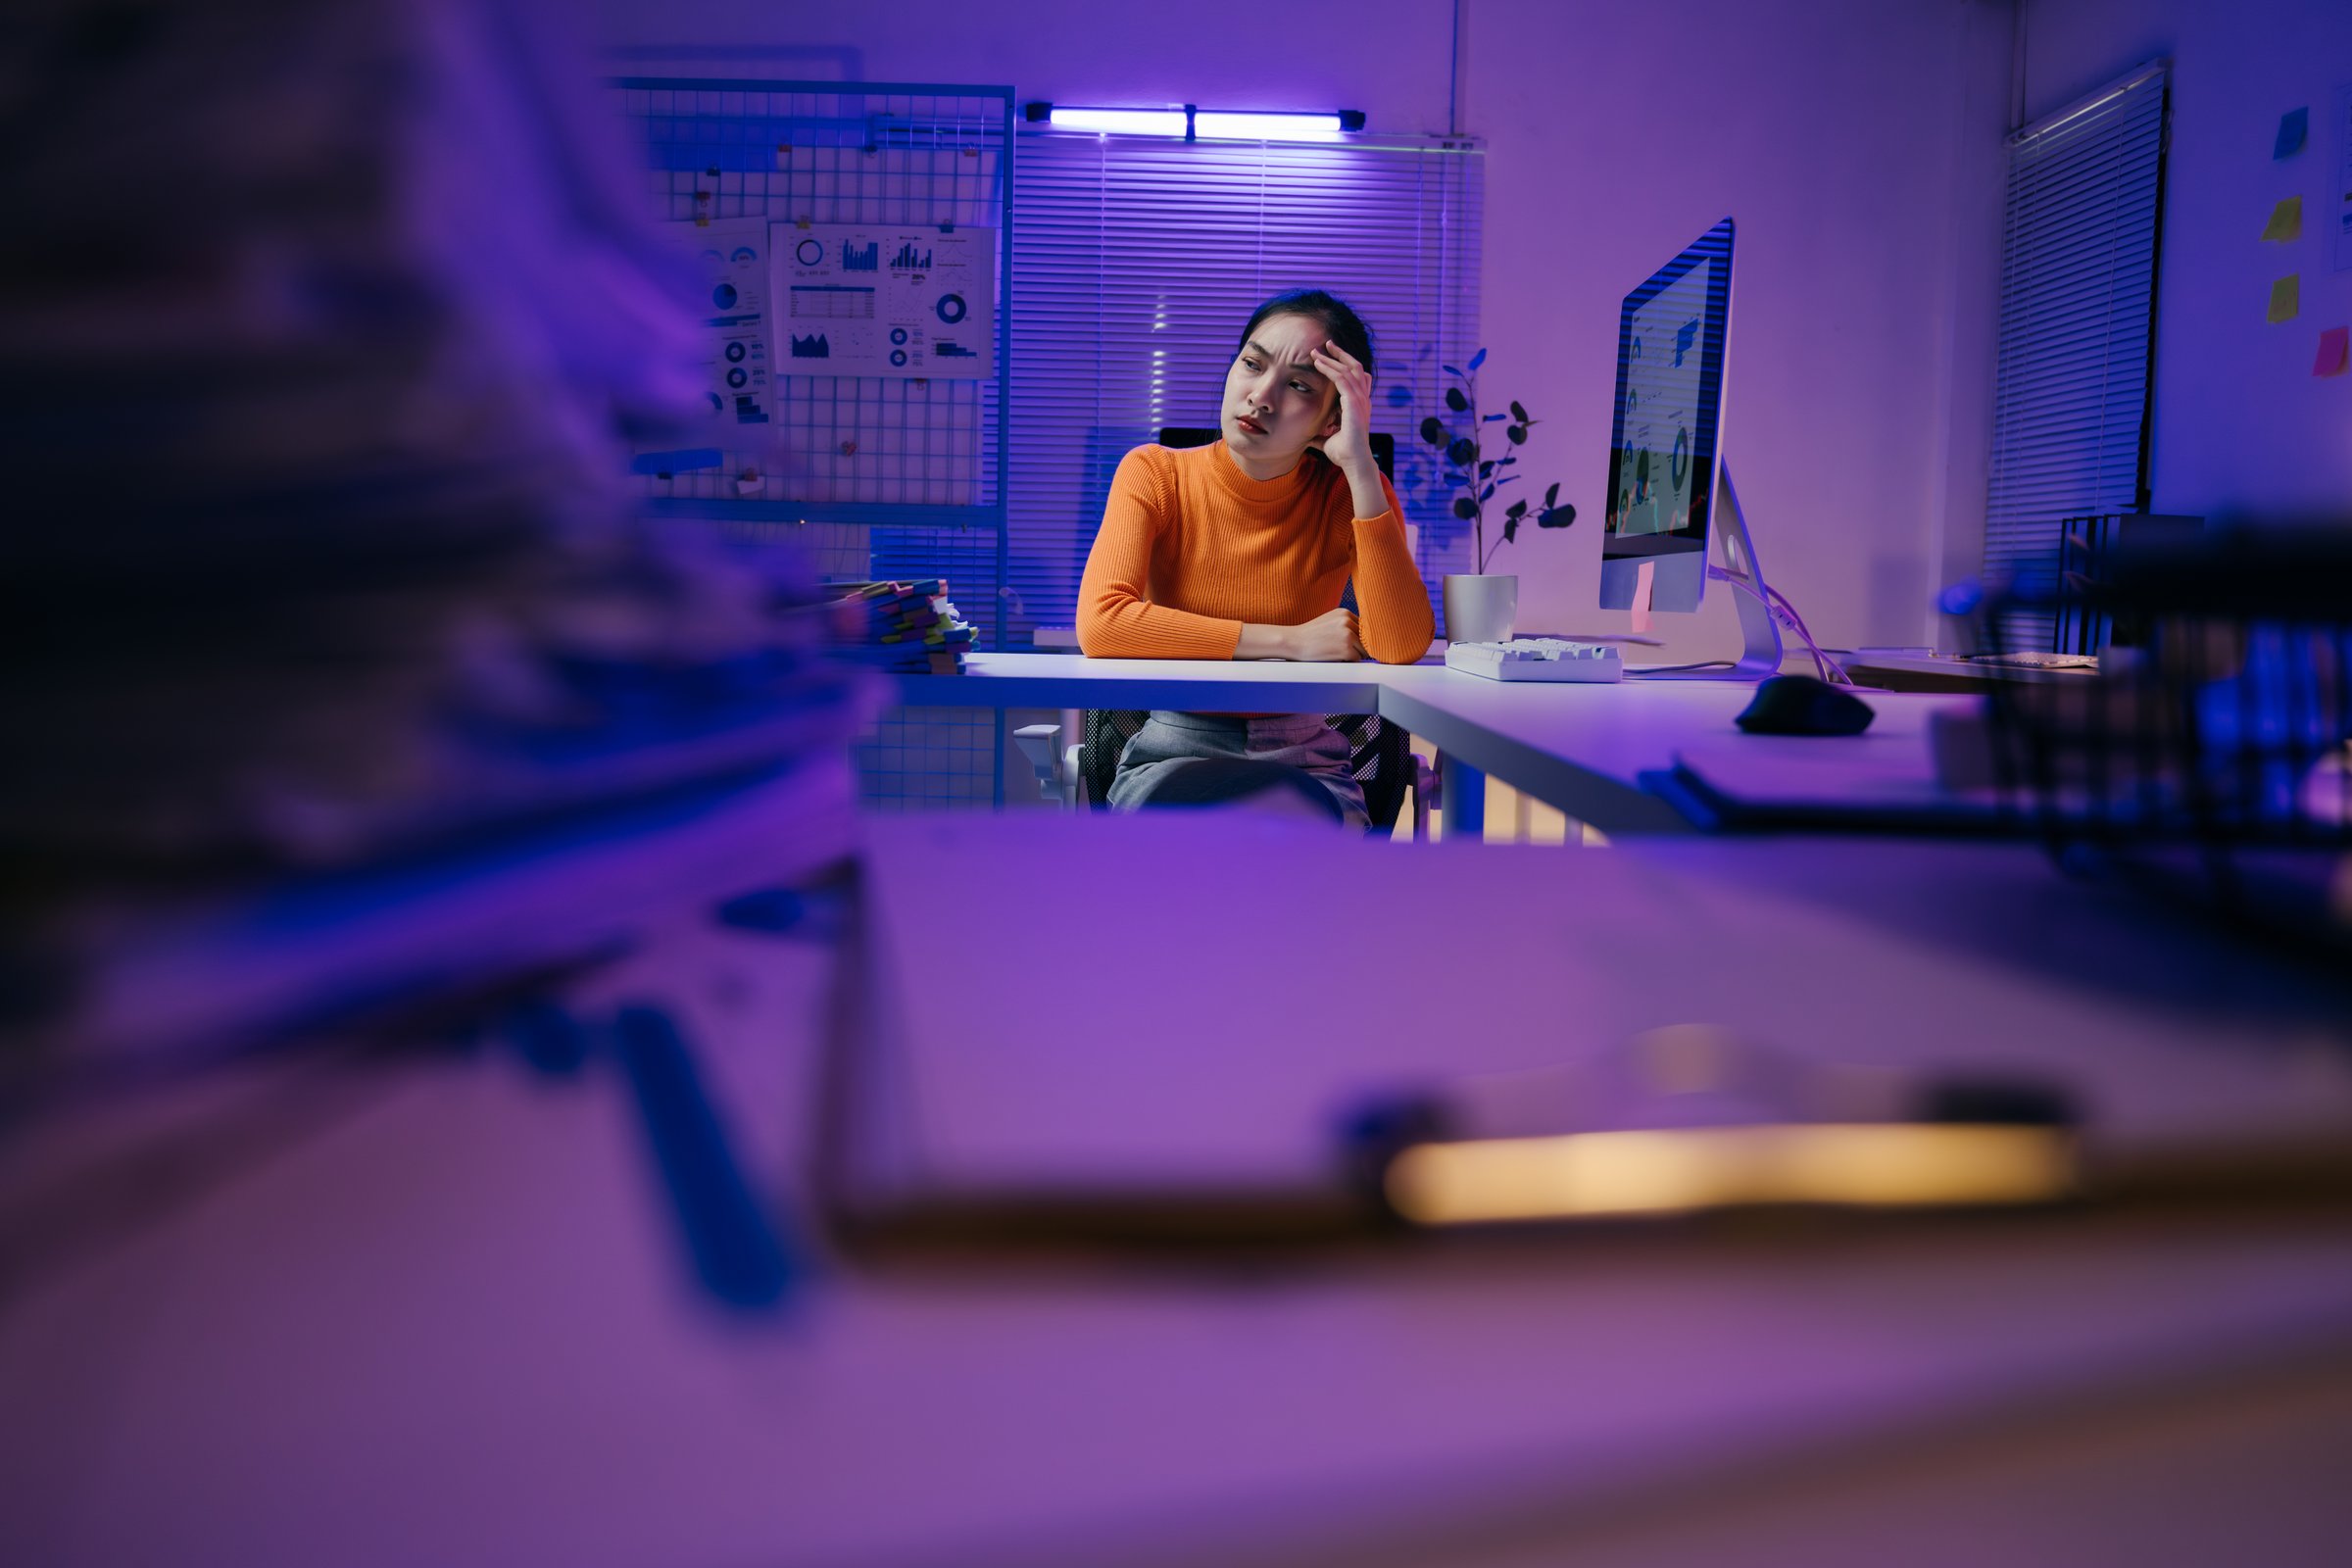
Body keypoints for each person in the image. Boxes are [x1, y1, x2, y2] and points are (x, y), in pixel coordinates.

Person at [1075, 290, 1435, 826]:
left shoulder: (1349, 492)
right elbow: (1103, 625)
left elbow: (1400, 644)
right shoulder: (1154, 473)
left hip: (1309, 766)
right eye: (1252, 364)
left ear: (1330, 419)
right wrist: (1289, 642)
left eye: (1299, 386)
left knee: (1281, 848)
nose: (1261, 397)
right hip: (1172, 753)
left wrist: (1361, 466)